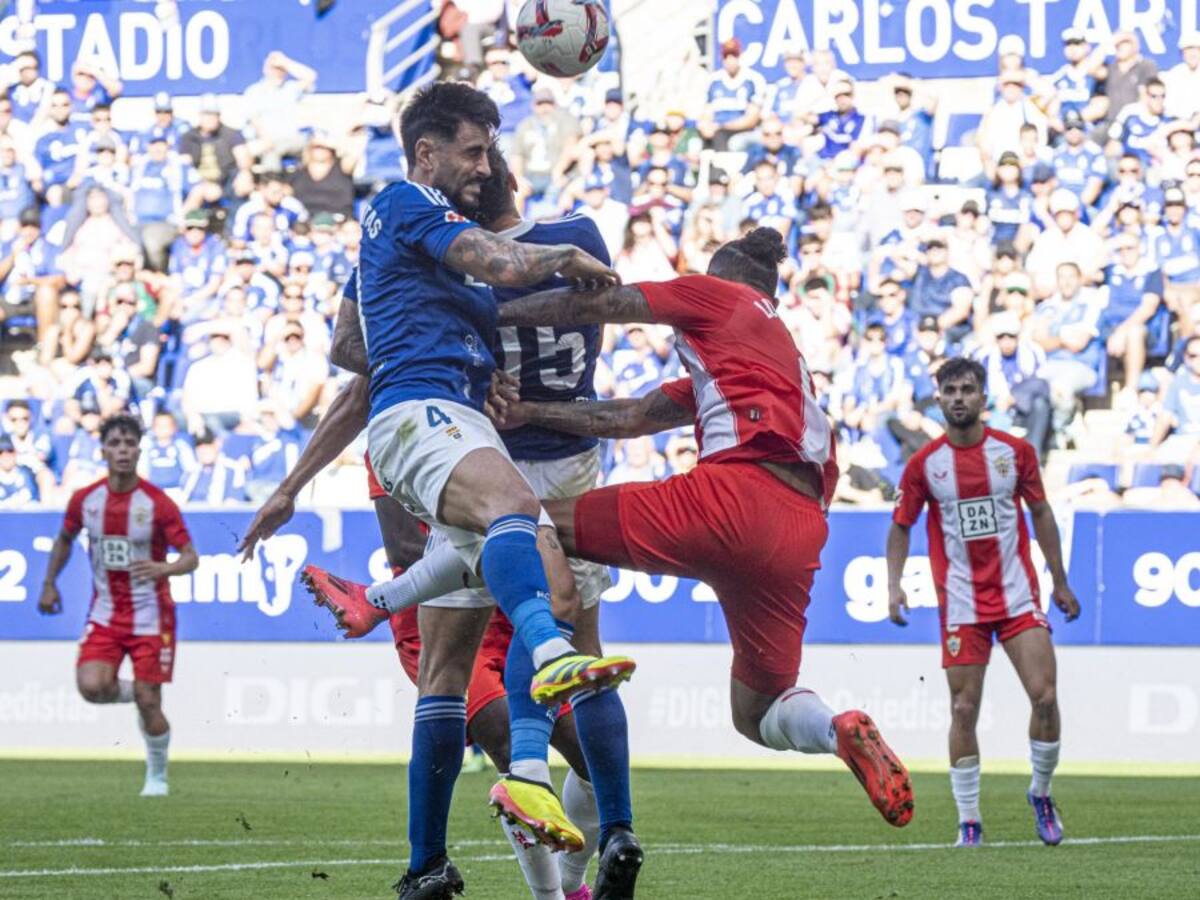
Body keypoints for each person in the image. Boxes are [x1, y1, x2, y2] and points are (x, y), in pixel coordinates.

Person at [380, 229, 916, 834]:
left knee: (515, 519)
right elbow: (632, 416)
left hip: (732, 498)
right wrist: (531, 413)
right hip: (800, 529)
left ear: (723, 278)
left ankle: (509, 743)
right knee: (758, 710)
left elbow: (601, 304)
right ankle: (835, 730)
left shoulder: (718, 295)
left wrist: (489, 314)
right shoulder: (773, 362)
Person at [292, 82, 633, 898]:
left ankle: (425, 865)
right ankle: (544, 682)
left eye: (487, 154)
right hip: (426, 418)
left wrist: (463, 356)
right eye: (473, 151)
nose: (483, 166)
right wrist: (563, 259)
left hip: (455, 419)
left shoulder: (435, 253)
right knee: (525, 533)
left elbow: (355, 341)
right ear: (427, 152)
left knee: (454, 650)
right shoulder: (407, 203)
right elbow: (500, 262)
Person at [238, 375, 604, 900]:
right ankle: (535, 892)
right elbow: (409, 548)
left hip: (511, 607)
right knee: (509, 744)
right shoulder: (403, 428)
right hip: (437, 611)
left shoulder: (493, 430)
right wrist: (516, 552)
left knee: (591, 756)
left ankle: (571, 881)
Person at [886, 358, 1080, 848]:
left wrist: (1059, 582)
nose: (958, 398)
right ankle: (969, 820)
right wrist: (894, 585)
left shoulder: (1015, 453)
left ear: (983, 397)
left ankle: (1041, 792)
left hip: (1017, 596)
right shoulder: (925, 464)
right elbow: (901, 526)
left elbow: (1041, 512)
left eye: (967, 389)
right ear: (938, 398)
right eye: (950, 390)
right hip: (961, 603)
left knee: (1045, 697)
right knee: (963, 707)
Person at [37, 414, 198, 797]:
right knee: (92, 686)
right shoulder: (85, 500)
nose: (123, 450)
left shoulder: (158, 503)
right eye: (115, 444)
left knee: (149, 701)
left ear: (139, 450)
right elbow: (64, 540)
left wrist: (163, 568)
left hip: (152, 616)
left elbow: (191, 557)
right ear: (103, 450)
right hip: (106, 613)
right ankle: (143, 693)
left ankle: (157, 776)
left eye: (129, 444)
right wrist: (49, 583)